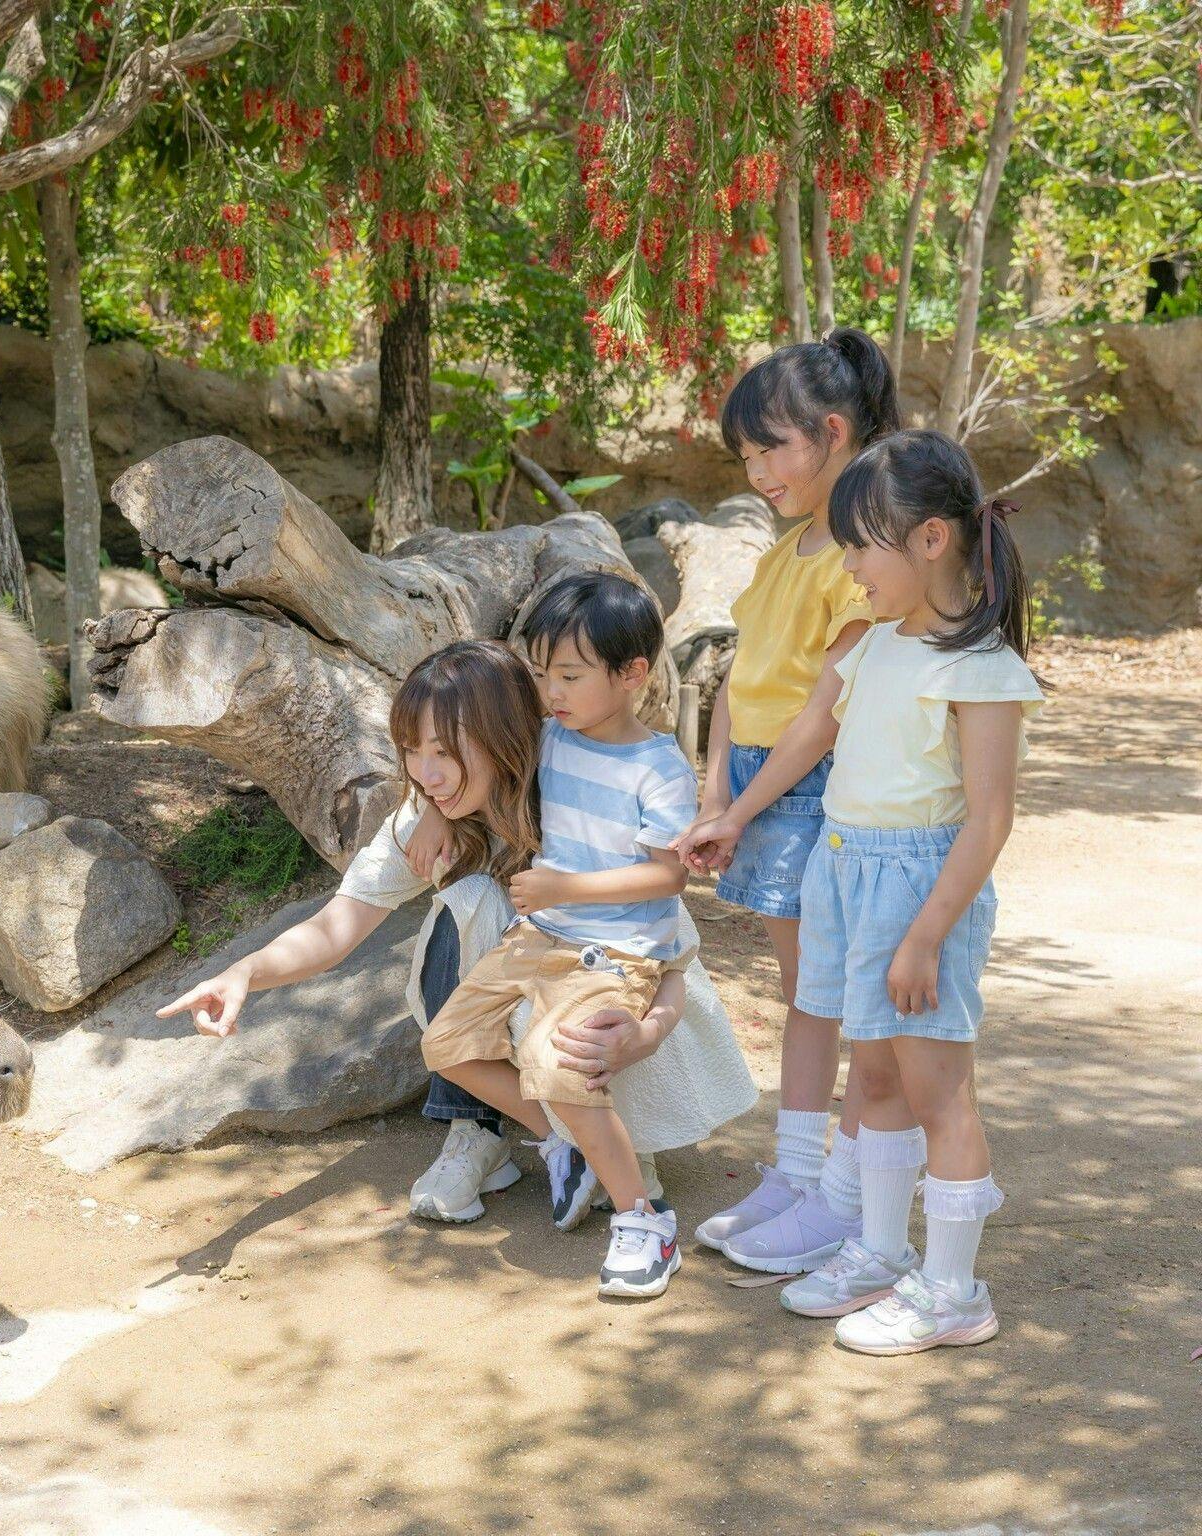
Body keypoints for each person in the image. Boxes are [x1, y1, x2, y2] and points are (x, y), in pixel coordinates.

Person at [158, 638, 755, 1281]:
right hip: (528, 993)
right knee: (466, 903)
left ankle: (628, 1174)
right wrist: (246, 971)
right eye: (413, 751)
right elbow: (340, 924)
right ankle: (558, 1138)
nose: (425, 772)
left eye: (444, 752)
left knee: (544, 966)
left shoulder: (585, 796)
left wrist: (648, 1032)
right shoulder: (427, 813)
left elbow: (669, 954)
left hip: (621, 1006)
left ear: (505, 738)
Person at [763, 429, 1041, 1353]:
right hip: (849, 874)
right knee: (874, 1074)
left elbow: (988, 820)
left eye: (861, 545)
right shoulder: (878, 644)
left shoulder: (984, 671)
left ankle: (955, 1290)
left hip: (919, 894)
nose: (850, 567)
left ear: (929, 540)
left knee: (937, 1090)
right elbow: (814, 735)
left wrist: (925, 935)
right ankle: (880, 1251)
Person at [669, 329, 903, 1275]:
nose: (759, 471)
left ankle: (843, 1196)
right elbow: (737, 681)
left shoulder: (858, 556)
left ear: (835, 433)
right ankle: (797, 1173)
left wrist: (741, 806)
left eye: (774, 448)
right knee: (807, 996)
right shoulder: (780, 554)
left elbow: (825, 714)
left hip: (812, 790)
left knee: (846, 999)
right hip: (761, 787)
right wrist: (716, 785)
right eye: (748, 455)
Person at [414, 574, 701, 1298]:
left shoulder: (658, 767)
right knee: (445, 1045)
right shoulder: (550, 736)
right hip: (536, 940)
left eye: (570, 675)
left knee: (557, 1062)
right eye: (542, 675)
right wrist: (435, 811)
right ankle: (564, 1145)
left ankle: (643, 1220)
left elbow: (669, 877)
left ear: (631, 674)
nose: (552, 692)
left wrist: (566, 888)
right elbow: (469, 756)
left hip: (614, 953)